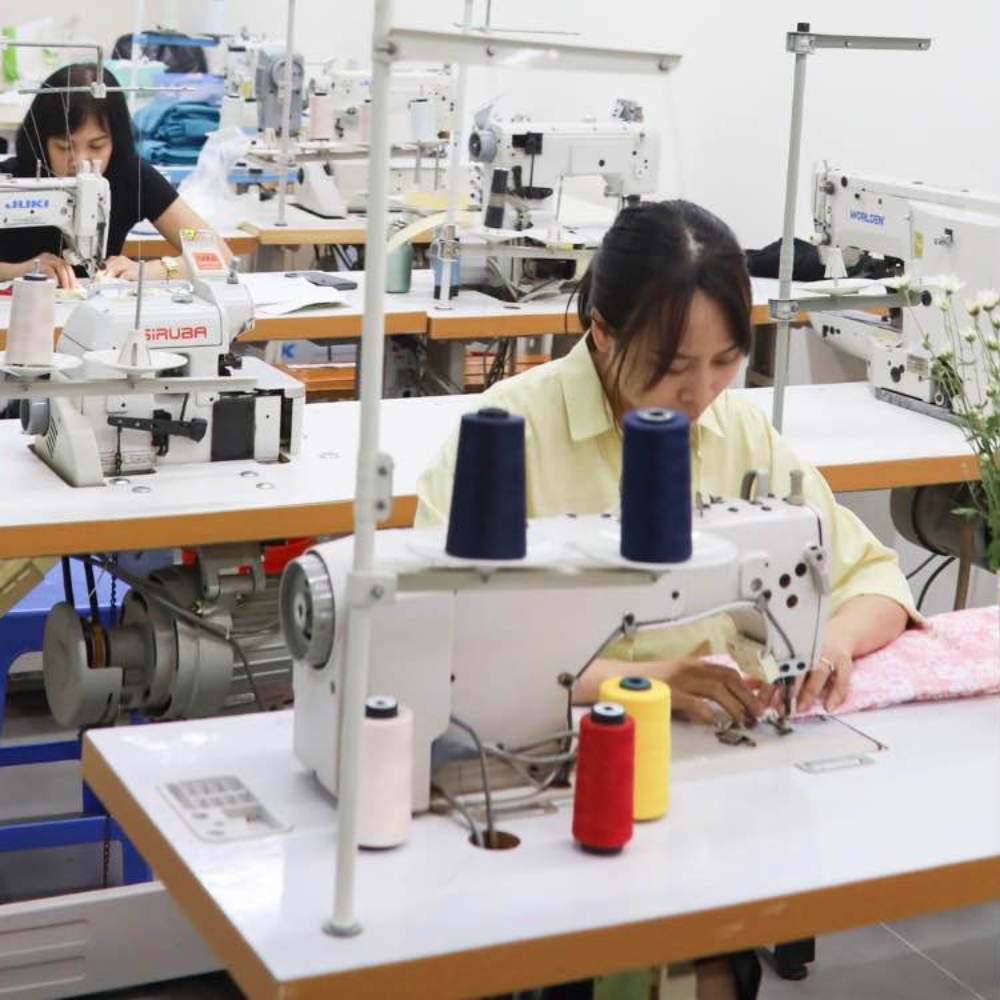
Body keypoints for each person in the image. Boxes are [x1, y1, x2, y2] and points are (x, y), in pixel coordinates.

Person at [417, 201, 918, 999]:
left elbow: (871, 576)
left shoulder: (741, 433)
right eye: (673, 367)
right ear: (604, 333)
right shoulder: (507, 433)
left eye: (724, 362)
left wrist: (830, 643)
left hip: (710, 784)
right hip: (549, 776)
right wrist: (639, 683)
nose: (700, 394)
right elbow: (443, 643)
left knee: (711, 962)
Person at [0, 62, 229, 289]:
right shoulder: (11, 180)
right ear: (41, 143)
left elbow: (219, 255)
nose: (80, 162)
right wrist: (17, 271)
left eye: (97, 146)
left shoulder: (132, 176)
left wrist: (146, 270)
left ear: (115, 141)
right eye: (64, 147)